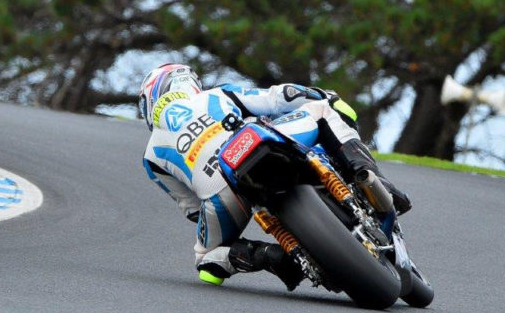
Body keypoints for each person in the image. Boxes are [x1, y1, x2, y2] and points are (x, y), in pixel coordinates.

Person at [139, 62, 412, 290]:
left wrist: (220, 213)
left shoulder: (152, 157)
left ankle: (272, 257)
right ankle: (369, 175)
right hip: (261, 142)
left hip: (221, 193)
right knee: (323, 112)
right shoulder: (216, 95)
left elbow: (192, 211)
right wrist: (325, 97)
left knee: (206, 262)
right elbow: (278, 97)